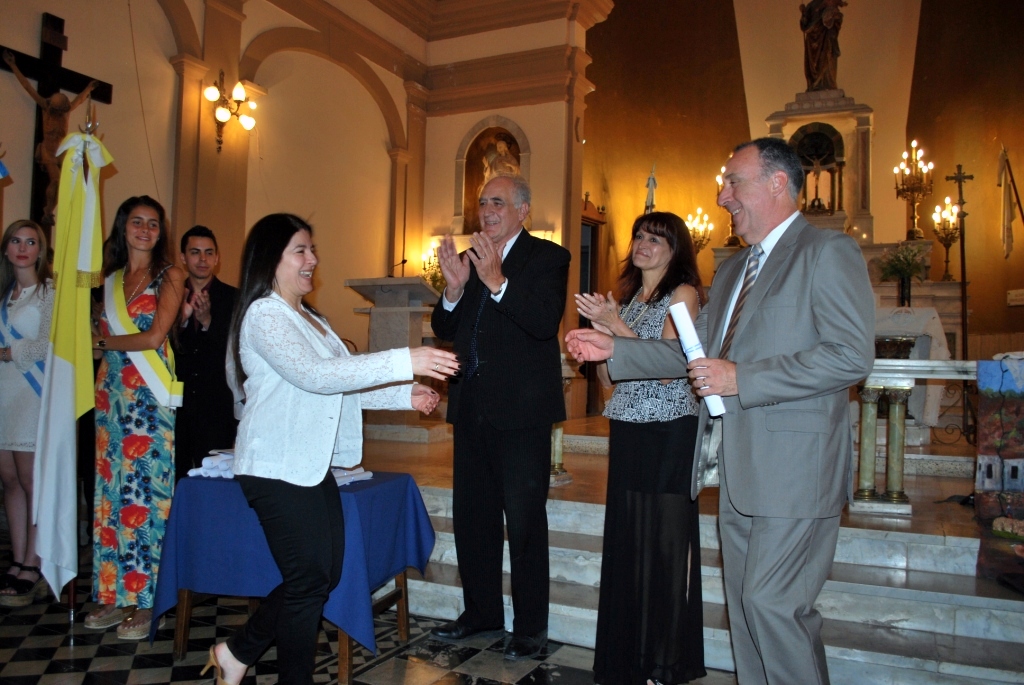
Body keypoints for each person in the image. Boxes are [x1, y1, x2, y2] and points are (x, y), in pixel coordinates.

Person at [566, 138, 875, 684]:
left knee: (775, 608)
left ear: (777, 183)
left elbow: (851, 355)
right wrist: (616, 349)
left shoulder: (826, 252)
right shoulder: (733, 271)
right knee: (746, 610)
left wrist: (744, 377)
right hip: (735, 470)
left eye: (734, 181)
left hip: (795, 470)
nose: (722, 193)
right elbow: (688, 353)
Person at [204, 214, 458, 685]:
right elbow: (315, 377)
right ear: (270, 260)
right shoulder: (264, 315)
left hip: (307, 463)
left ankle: (237, 653)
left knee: (321, 574)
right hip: (274, 464)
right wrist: (408, 358)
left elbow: (340, 385)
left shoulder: (311, 320)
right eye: (300, 250)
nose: (312, 260)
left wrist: (406, 394)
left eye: (311, 249)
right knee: (307, 582)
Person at [429, 174, 570, 660]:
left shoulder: (549, 257)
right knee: (473, 521)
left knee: (525, 523)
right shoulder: (470, 260)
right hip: (471, 410)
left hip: (522, 413)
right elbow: (445, 326)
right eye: (482, 202)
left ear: (523, 211)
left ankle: (530, 628)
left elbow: (542, 321)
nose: (487, 211)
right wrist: (452, 289)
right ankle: (481, 613)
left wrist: (496, 283)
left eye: (498, 203)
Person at [575, 212, 706, 684]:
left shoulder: (684, 295)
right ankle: (628, 657)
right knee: (628, 543)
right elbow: (612, 379)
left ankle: (664, 661)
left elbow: (672, 366)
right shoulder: (627, 300)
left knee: (665, 548)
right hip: (629, 426)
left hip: (671, 429)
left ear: (676, 248)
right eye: (639, 236)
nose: (643, 244)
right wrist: (595, 345)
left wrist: (612, 327)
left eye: (655, 238)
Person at [84, 196, 187, 640]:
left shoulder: (171, 275)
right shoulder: (107, 280)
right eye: (137, 222)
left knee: (145, 493)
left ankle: (148, 601)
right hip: (110, 394)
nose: (145, 229)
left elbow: (154, 336)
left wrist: (103, 342)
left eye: (153, 223)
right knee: (111, 492)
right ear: (123, 227)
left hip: (149, 395)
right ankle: (113, 593)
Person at [0, 220, 54, 607]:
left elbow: (46, 343)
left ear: (41, 250)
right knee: (9, 481)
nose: (23, 248)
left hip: (32, 393)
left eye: (31, 242)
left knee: (30, 480)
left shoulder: (48, 292)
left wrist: (8, 353)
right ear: (6, 249)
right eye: (16, 241)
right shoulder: (3, 294)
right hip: (4, 392)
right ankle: (17, 557)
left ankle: (34, 563)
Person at [173, 225, 239, 480]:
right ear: (182, 257)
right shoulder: (170, 294)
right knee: (176, 475)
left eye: (209, 253)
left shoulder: (234, 297)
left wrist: (208, 321)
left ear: (217, 258)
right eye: (195, 252)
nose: (202, 259)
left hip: (216, 404)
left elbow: (237, 350)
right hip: (177, 401)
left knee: (214, 478)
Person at [3, 50, 98, 227]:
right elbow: (26, 86)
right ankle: (48, 211)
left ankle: (59, 211)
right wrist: (13, 65)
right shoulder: (45, 107)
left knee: (71, 181)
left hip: (62, 151)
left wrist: (89, 89)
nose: (62, 113)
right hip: (48, 152)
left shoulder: (66, 111)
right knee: (56, 180)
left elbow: (79, 99)